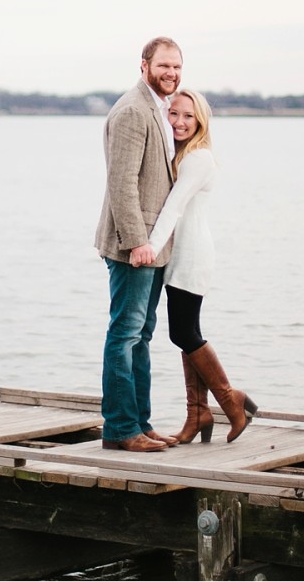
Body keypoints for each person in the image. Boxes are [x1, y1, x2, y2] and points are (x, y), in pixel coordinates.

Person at [144, 89, 258, 443]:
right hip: (180, 252)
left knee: (184, 333)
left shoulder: (198, 158)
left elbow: (174, 207)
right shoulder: (179, 153)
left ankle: (230, 399)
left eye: (188, 116)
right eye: (174, 114)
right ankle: (198, 414)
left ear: (201, 121)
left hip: (192, 253)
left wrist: (150, 247)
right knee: (185, 331)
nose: (179, 122)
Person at [94, 36, 183, 452]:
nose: (171, 73)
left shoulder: (160, 108)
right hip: (134, 246)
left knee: (141, 335)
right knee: (125, 334)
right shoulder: (132, 110)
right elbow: (122, 183)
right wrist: (136, 242)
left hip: (153, 244)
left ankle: (140, 424)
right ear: (144, 65)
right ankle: (120, 429)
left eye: (177, 66)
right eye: (164, 65)